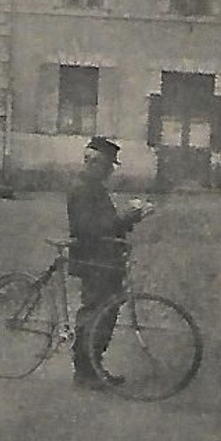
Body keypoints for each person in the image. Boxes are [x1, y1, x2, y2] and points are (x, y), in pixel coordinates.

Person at [66, 136, 153, 388]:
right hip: (95, 261)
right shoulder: (82, 188)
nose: (111, 170)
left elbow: (104, 224)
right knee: (96, 313)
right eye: (108, 166)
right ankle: (85, 372)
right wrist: (130, 215)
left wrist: (131, 217)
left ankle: (93, 367)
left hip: (104, 260)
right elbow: (89, 229)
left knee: (104, 313)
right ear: (93, 163)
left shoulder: (92, 186)